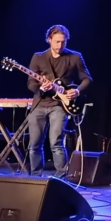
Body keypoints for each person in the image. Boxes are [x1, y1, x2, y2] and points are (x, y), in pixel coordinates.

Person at [26, 25, 92, 176]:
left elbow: (87, 79)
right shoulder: (38, 57)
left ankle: (61, 178)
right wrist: (42, 88)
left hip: (60, 105)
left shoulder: (75, 57)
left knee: (56, 142)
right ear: (49, 40)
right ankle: (35, 178)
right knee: (34, 144)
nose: (60, 45)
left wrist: (76, 91)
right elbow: (30, 84)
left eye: (63, 42)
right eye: (56, 42)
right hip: (40, 104)